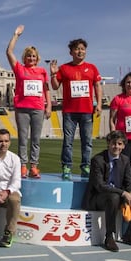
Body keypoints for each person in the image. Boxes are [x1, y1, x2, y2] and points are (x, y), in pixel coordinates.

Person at [82, 130, 131, 252]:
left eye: (119, 144)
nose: (116, 146)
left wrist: (130, 192)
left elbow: (129, 182)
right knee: (114, 197)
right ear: (108, 144)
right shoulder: (98, 160)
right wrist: (123, 193)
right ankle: (109, 236)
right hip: (98, 197)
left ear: (123, 146)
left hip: (117, 194)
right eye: (113, 143)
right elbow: (100, 186)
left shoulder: (125, 160)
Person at [50, 38, 102, 179]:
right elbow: (55, 86)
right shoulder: (65, 68)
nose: (80, 51)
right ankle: (67, 166)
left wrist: (99, 104)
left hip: (86, 111)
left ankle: (86, 166)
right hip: (69, 112)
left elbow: (97, 85)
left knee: (87, 142)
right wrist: (53, 74)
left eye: (82, 49)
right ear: (71, 52)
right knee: (68, 141)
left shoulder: (92, 68)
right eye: (77, 49)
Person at [6, 25, 52, 178]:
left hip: (38, 108)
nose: (31, 58)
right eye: (29, 56)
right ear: (24, 58)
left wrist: (49, 106)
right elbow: (9, 52)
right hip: (22, 108)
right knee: (23, 139)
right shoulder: (19, 69)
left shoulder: (42, 71)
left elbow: (46, 90)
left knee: (36, 139)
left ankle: (34, 166)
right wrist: (16, 35)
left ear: (37, 58)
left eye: (33, 56)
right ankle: (22, 166)